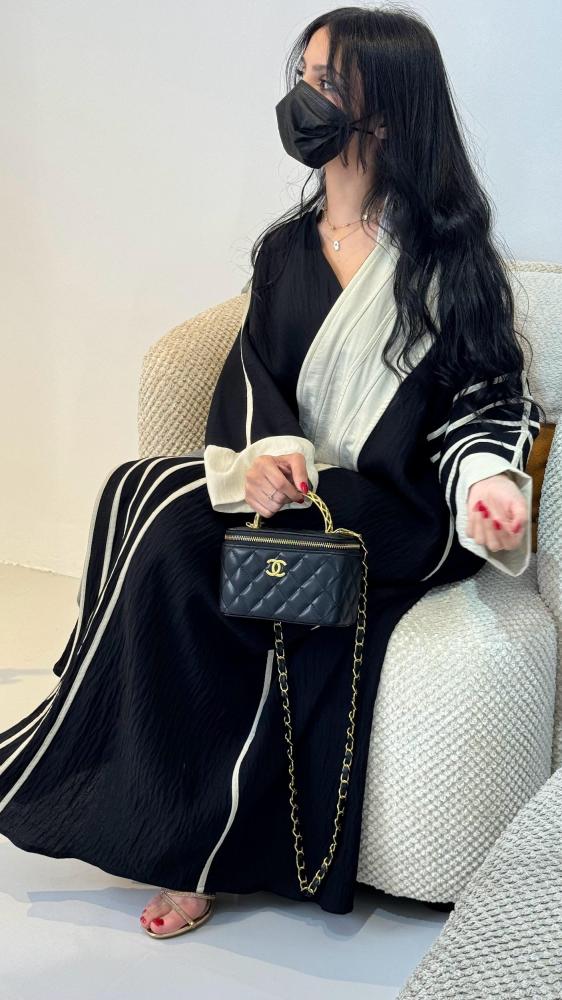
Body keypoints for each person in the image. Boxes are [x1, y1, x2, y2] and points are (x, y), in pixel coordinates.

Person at [0, 7, 544, 939]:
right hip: (302, 484)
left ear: (386, 111)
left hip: (399, 506)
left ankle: (189, 849)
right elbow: (253, 382)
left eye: (329, 84)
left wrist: (487, 487)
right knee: (134, 488)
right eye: (305, 77)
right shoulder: (286, 251)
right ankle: (105, 736)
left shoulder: (448, 260)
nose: (305, 101)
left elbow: (485, 400)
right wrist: (261, 462)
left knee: (177, 530)